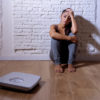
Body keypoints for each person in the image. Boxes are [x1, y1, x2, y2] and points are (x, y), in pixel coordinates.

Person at [49, 8, 78, 73]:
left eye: (69, 18)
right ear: (60, 16)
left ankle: (70, 63)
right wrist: (69, 38)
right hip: (55, 57)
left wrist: (72, 16)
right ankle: (57, 64)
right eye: (64, 16)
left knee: (73, 35)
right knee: (55, 38)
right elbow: (53, 34)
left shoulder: (70, 29)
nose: (66, 19)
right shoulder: (54, 26)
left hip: (67, 58)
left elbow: (75, 31)